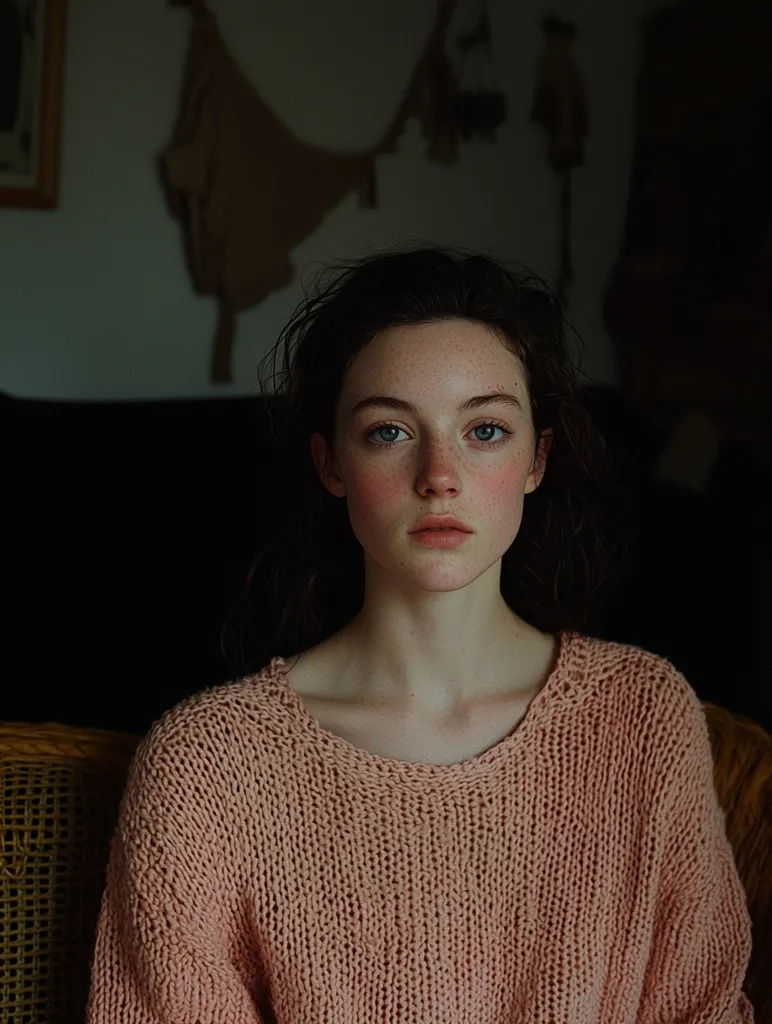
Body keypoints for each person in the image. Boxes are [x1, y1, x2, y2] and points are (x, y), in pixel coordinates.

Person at [87, 247, 754, 1023]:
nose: (440, 474)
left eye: (486, 430)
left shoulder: (643, 716)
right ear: (330, 461)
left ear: (538, 459)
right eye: (389, 433)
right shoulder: (205, 770)